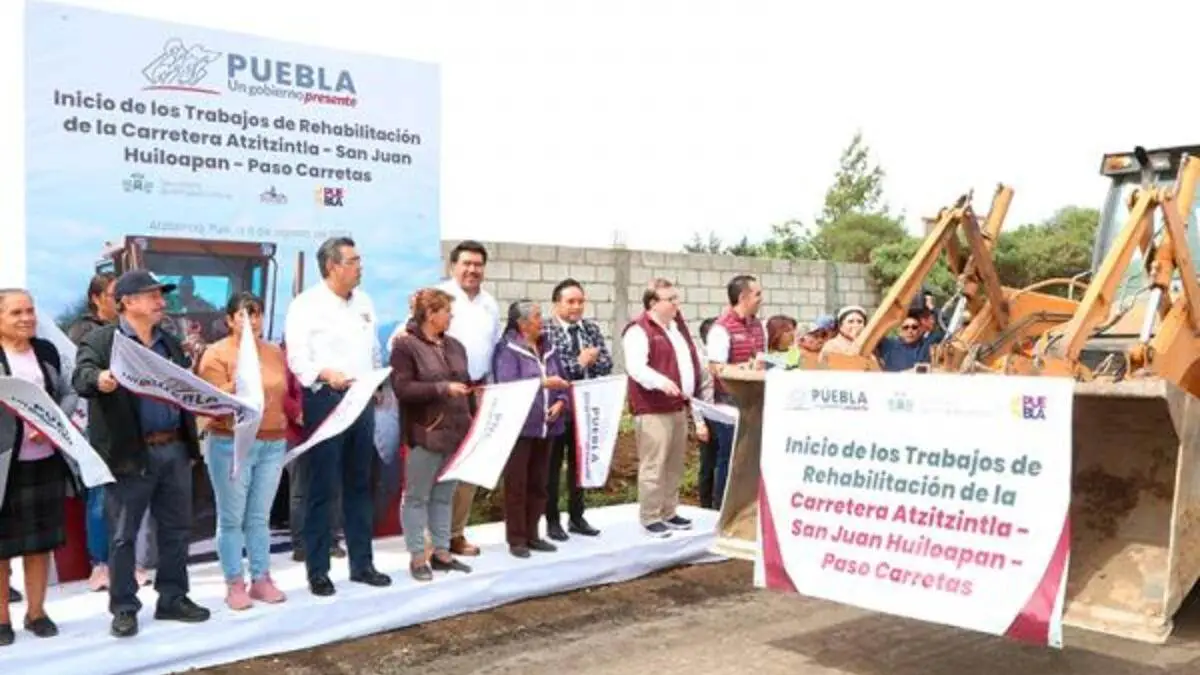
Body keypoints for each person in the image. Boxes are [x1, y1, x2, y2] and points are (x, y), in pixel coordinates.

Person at [72, 270, 210, 638]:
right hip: (129, 455)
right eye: (153, 296)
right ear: (128, 302)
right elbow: (80, 376)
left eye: (161, 295)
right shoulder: (103, 340)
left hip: (174, 450)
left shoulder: (169, 343)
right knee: (123, 535)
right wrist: (99, 380)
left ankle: (172, 597)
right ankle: (124, 607)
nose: (161, 302)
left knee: (176, 529)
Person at [284, 236, 391, 596]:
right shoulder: (305, 305)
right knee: (321, 488)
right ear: (333, 266)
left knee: (360, 486)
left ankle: (362, 564)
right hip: (327, 401)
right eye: (354, 260)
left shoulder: (364, 301)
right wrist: (324, 373)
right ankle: (318, 570)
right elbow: (298, 358)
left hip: (361, 401)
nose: (361, 266)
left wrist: (376, 381)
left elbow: (373, 349)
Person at [390, 240, 501, 557]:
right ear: (453, 266)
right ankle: (422, 546)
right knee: (422, 488)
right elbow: (403, 344)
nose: (472, 270)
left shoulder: (489, 304)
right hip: (432, 412)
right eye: (466, 263)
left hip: (472, 396)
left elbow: (492, 348)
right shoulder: (435, 297)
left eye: (478, 264)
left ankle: (453, 536)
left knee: (461, 474)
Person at [196, 292, 293, 610]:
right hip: (229, 442)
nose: (251, 321)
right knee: (231, 517)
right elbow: (208, 400)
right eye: (243, 315)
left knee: (259, 516)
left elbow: (282, 393)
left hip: (272, 442)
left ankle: (261, 578)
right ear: (228, 320)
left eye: (256, 314)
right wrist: (236, 385)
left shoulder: (274, 351)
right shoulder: (216, 353)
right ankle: (234, 582)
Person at [0, 288, 80, 646]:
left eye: (30, 310)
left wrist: (53, 421)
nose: (27, 318)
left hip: (46, 461)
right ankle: (1, 619)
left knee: (40, 543)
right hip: (4, 468)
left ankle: (36, 612)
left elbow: (67, 391)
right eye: (17, 312)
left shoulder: (45, 352)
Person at [66, 273, 154, 593]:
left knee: (134, 502)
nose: (120, 299)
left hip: (138, 431)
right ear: (97, 298)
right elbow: (82, 375)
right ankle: (100, 564)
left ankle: (134, 563)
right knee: (101, 499)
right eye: (114, 294)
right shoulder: (86, 332)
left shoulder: (148, 334)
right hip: (102, 430)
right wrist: (98, 378)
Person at [389, 288, 474, 581]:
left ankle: (441, 552)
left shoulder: (456, 346)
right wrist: (441, 388)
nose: (451, 316)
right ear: (430, 314)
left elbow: (467, 383)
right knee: (416, 497)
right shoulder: (405, 346)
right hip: (425, 433)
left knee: (444, 496)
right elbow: (402, 389)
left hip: (456, 433)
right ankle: (417, 557)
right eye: (447, 311)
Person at [621, 279, 712, 537]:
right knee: (654, 464)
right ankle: (650, 516)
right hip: (653, 408)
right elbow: (636, 367)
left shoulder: (675, 329)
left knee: (674, 464)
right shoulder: (638, 330)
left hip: (678, 405)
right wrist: (661, 382)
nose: (676, 304)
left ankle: (669, 511)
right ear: (653, 303)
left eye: (676, 298)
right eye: (670, 299)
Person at [492, 300, 571, 558]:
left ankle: (533, 533)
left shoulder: (549, 347)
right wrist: (544, 383)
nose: (543, 320)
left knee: (540, 483)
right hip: (520, 428)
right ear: (522, 323)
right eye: (537, 316)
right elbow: (508, 384)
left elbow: (562, 379)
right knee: (517, 484)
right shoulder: (508, 350)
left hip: (547, 427)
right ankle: (517, 539)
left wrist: (561, 401)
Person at [543, 279, 611, 541]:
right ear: (556, 304)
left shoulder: (590, 329)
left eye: (580, 301)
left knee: (579, 465)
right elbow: (555, 369)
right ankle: (551, 519)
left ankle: (577, 515)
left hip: (586, 409)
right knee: (552, 466)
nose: (576, 307)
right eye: (570, 301)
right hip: (559, 407)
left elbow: (606, 362)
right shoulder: (547, 331)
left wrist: (589, 362)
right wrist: (581, 361)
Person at [700, 275, 765, 510]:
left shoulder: (758, 325)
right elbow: (716, 367)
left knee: (750, 463)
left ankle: (746, 509)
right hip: (729, 407)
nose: (761, 299)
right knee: (729, 461)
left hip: (755, 404)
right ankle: (722, 509)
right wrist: (743, 369)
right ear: (743, 297)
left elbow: (760, 358)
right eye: (757, 294)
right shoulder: (721, 329)